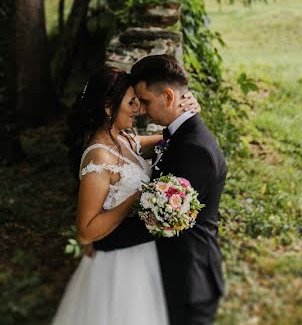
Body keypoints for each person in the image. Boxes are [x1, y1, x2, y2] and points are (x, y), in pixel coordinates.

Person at [52, 66, 200, 325]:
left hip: (140, 254)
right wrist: (137, 198)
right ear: (109, 107)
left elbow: (164, 139)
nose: (139, 109)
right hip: (116, 264)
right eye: (132, 102)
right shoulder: (99, 157)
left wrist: (186, 115)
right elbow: (85, 232)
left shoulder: (125, 139)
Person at [94, 54, 227, 325]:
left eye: (144, 101)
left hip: (188, 283)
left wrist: (99, 239)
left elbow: (159, 221)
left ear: (168, 97)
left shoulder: (194, 151)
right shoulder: (179, 135)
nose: (140, 109)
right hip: (167, 276)